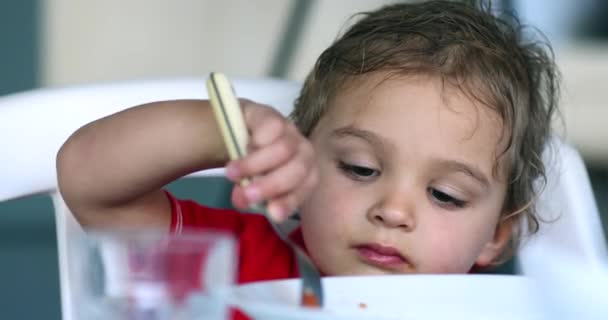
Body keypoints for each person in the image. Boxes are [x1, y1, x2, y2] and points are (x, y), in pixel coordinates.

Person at [57, 0, 559, 284]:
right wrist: (227, 132)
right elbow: (89, 181)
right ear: (299, 160)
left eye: (445, 194)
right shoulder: (237, 263)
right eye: (360, 168)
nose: (393, 210)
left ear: (497, 234)